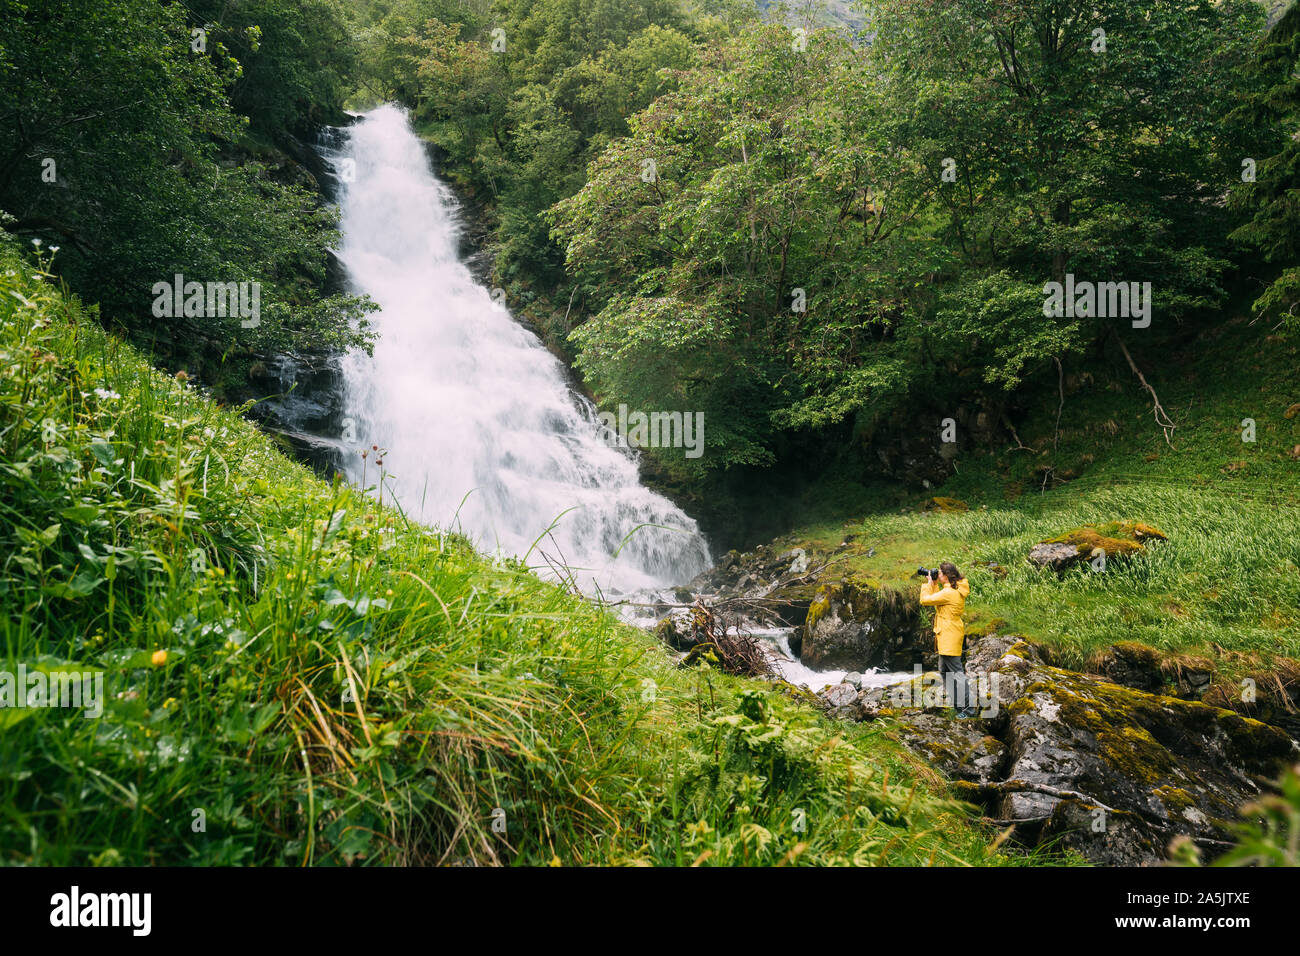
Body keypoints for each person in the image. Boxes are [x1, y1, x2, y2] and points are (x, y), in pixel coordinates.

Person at [918, 562, 977, 718]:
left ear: (947, 576)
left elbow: (925, 600)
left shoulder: (949, 593)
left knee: (957, 674)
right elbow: (937, 600)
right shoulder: (952, 590)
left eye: (940, 573)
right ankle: (959, 708)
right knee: (945, 672)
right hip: (949, 635)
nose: (938, 574)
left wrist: (929, 584)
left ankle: (969, 710)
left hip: (949, 636)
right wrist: (934, 585)